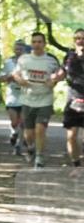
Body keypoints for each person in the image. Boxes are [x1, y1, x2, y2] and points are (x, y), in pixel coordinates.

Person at [13, 31, 64, 168]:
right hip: (27, 99)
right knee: (29, 133)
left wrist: (54, 81)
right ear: (31, 44)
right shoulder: (24, 59)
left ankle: (40, 157)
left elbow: (60, 74)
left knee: (40, 129)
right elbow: (15, 74)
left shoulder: (51, 60)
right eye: (34, 42)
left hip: (45, 100)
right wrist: (20, 80)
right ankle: (31, 147)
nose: (36, 44)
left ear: (44, 44)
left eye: (39, 42)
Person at [0, 39, 27, 155]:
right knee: (14, 122)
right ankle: (13, 133)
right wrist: (10, 76)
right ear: (14, 49)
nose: (18, 51)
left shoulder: (29, 62)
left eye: (21, 49)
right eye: (16, 48)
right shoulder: (8, 62)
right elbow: (1, 78)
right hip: (12, 96)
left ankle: (18, 146)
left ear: (24, 50)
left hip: (26, 95)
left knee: (23, 122)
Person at [62, 28, 84, 168]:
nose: (81, 41)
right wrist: (53, 78)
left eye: (83, 38)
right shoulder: (69, 57)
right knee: (71, 137)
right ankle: (76, 164)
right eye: (78, 38)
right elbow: (62, 72)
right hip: (73, 100)